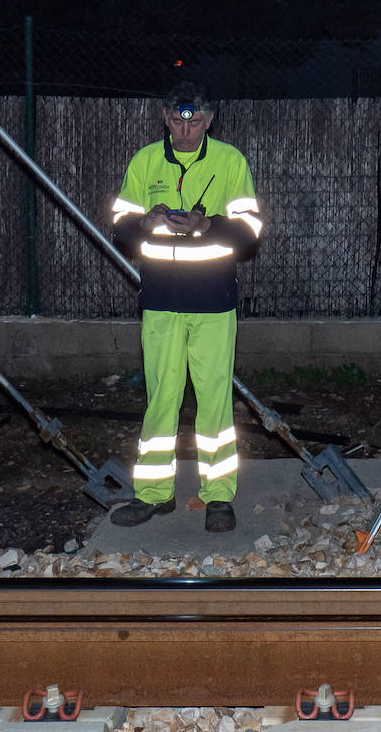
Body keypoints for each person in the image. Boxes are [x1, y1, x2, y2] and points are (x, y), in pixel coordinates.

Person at [108, 81, 262, 531]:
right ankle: (154, 494)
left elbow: (250, 229)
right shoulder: (145, 161)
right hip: (160, 300)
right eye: (178, 119)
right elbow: (120, 226)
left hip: (213, 301)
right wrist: (146, 220)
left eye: (195, 120)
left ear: (209, 120)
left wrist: (207, 224)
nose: (186, 129)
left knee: (214, 401)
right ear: (165, 117)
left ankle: (218, 498)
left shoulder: (230, 161)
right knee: (161, 398)